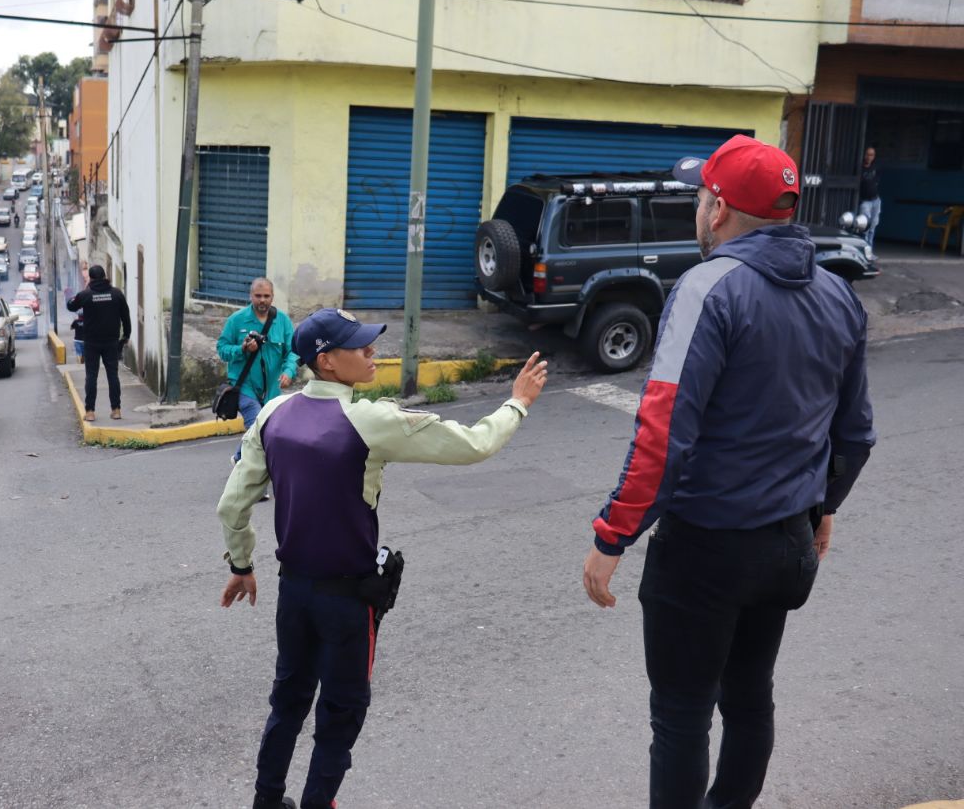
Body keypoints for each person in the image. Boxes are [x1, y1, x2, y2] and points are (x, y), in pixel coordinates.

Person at [581, 134, 876, 809]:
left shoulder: (707, 288)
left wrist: (611, 536)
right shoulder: (837, 294)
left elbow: (663, 435)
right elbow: (855, 433)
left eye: (700, 195)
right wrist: (822, 506)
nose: (697, 207)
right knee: (749, 700)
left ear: (718, 210)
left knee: (681, 716)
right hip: (785, 547)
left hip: (707, 549)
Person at [218, 309, 549, 809]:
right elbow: (475, 445)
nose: (373, 353)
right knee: (342, 710)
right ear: (326, 361)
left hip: (295, 592)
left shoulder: (272, 414)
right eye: (361, 347)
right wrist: (517, 404)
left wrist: (241, 566)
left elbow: (231, 505)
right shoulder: (370, 419)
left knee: (288, 701)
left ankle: (266, 801)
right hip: (348, 601)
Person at [216, 278, 297, 463]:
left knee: (263, 430)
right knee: (257, 427)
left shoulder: (282, 321)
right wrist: (241, 349)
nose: (262, 300)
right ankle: (255, 476)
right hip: (245, 387)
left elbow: (292, 351)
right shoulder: (237, 320)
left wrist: (289, 371)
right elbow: (222, 349)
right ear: (250, 296)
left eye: (266, 296)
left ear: (272, 297)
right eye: (258, 296)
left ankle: (239, 458)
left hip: (272, 391)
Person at [66, 264, 131, 421]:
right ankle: (116, 410)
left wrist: (76, 295)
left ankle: (90, 412)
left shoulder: (86, 295)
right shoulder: (117, 294)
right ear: (105, 276)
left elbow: (70, 306)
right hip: (111, 342)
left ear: (91, 278)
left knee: (91, 376)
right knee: (113, 376)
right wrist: (126, 336)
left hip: (92, 343)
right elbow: (126, 317)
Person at [858, 145, 879, 247]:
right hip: (865, 201)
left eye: (871, 155)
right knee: (864, 226)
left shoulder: (875, 167)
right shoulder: (860, 168)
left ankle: (869, 250)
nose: (869, 157)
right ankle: (864, 249)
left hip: (876, 200)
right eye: (867, 154)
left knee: (873, 226)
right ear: (864, 155)